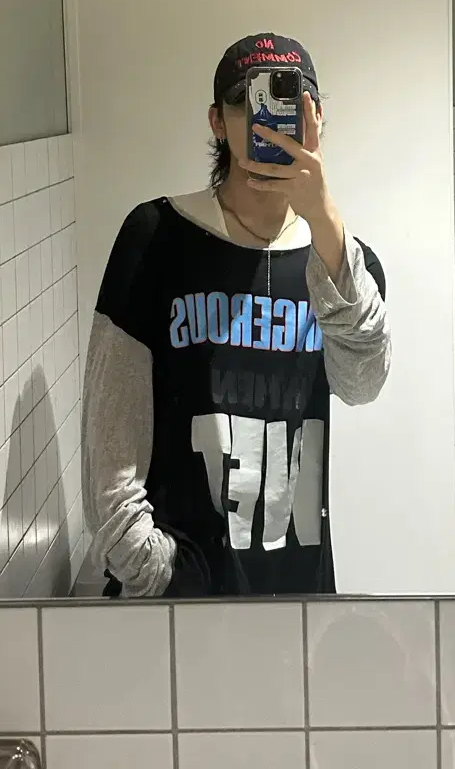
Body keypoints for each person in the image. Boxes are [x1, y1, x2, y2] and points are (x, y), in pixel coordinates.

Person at [81, 33, 391, 597]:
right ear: (217, 122)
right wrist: (157, 573)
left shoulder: (344, 263)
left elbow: (362, 384)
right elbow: (110, 446)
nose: (262, 122)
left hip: (299, 592)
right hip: (177, 593)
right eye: (243, 103)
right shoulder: (156, 239)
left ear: (316, 117)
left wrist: (323, 219)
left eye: (285, 102)